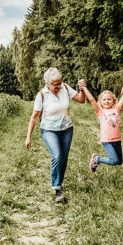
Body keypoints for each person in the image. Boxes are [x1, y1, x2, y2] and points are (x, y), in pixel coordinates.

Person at [25, 68, 86, 203]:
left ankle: (60, 183)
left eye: (60, 82)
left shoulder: (65, 87)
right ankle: (57, 189)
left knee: (63, 158)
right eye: (55, 84)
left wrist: (82, 89)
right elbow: (34, 117)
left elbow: (81, 100)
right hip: (49, 130)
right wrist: (28, 136)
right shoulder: (42, 95)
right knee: (57, 156)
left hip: (66, 129)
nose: (58, 86)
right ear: (48, 84)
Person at [79, 76, 123, 172]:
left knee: (119, 161)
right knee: (114, 160)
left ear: (113, 100)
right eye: (104, 100)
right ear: (100, 102)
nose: (106, 101)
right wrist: (84, 87)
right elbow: (92, 99)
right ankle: (97, 159)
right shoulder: (100, 111)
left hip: (117, 139)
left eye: (109, 99)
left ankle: (98, 159)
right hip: (107, 140)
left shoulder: (117, 109)